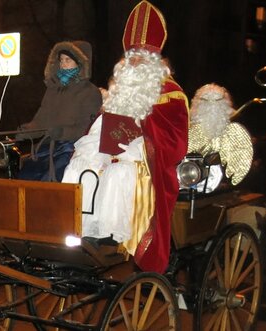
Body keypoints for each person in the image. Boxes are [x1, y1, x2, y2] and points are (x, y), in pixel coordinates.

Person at [61, 0, 188, 273]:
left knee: (118, 174)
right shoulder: (118, 89)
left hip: (144, 163)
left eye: (143, 54)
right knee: (78, 166)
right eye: (132, 54)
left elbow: (176, 143)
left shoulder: (171, 92)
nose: (136, 59)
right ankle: (80, 229)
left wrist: (142, 134)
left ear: (155, 60)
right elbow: (100, 124)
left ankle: (111, 234)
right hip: (110, 147)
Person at [16, 40, 102, 182]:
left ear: (80, 63)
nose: (63, 64)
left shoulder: (90, 92)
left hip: (71, 149)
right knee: (26, 175)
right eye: (61, 60)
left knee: (52, 177)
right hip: (47, 148)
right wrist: (27, 131)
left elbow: (88, 128)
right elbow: (41, 120)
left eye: (68, 60)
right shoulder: (53, 89)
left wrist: (62, 132)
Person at [186, 83, 254, 188]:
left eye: (216, 102)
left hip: (215, 180)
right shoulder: (190, 130)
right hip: (190, 177)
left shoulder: (233, 132)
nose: (211, 105)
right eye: (206, 102)